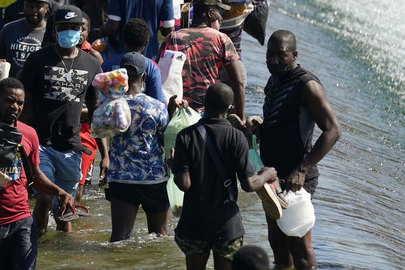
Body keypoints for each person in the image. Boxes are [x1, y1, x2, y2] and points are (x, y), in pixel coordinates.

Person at [0, 78, 76, 270]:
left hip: (20, 224)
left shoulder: (29, 134)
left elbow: (35, 176)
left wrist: (60, 192)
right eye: (9, 101)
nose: (15, 107)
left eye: (20, 103)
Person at [258, 30, 342, 270]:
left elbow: (333, 130)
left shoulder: (307, 85)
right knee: (277, 243)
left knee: (298, 246)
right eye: (270, 55)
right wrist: (260, 129)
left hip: (297, 179)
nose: (273, 61)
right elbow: (282, 121)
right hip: (272, 175)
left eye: (281, 56)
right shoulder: (275, 78)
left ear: (294, 55)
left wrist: (302, 169)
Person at [172, 84, 279, 270]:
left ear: (205, 102)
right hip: (227, 225)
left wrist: (174, 166)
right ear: (230, 108)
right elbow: (249, 184)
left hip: (194, 224)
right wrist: (267, 174)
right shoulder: (237, 137)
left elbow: (184, 184)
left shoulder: (185, 136)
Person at [18, 5, 100, 234]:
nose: (70, 32)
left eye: (74, 27)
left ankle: (63, 254)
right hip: (39, 143)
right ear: (55, 30)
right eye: (64, 27)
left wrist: (103, 152)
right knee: (43, 198)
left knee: (65, 210)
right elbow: (25, 104)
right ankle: (37, 245)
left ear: (82, 30)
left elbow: (95, 110)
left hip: (72, 146)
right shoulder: (37, 60)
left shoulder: (92, 64)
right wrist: (18, 140)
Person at [105, 54, 170, 241]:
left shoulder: (111, 105)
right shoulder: (156, 107)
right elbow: (166, 139)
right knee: (159, 238)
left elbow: (100, 131)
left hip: (121, 178)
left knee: (119, 238)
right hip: (153, 179)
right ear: (144, 77)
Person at [161, 0, 245, 118]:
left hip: (178, 111)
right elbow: (238, 82)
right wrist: (241, 116)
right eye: (219, 12)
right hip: (210, 114)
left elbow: (159, 73)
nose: (221, 17)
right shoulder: (222, 39)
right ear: (210, 14)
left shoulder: (173, 37)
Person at [0, 0, 51, 78]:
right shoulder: (8, 29)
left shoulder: (51, 33)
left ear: (46, 8)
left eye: (38, 7)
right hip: (11, 87)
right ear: (23, 6)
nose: (33, 10)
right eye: (29, 6)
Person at [101, 20, 165, 102]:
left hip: (111, 113)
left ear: (123, 40)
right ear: (146, 43)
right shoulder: (152, 67)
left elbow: (100, 97)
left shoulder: (108, 63)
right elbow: (157, 101)